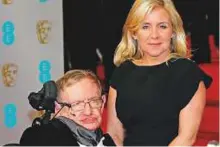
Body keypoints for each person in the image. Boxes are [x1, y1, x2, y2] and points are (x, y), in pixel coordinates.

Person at [107, 0, 212, 146]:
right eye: (145, 27)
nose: (154, 35)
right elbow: (114, 134)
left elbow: (186, 138)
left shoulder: (188, 74)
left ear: (173, 31)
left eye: (162, 26)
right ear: (134, 33)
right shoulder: (122, 73)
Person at [20, 69, 115, 146]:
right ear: (58, 108)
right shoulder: (40, 139)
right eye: (77, 104)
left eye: (94, 101)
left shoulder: (109, 142)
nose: (88, 111)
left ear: (103, 103)